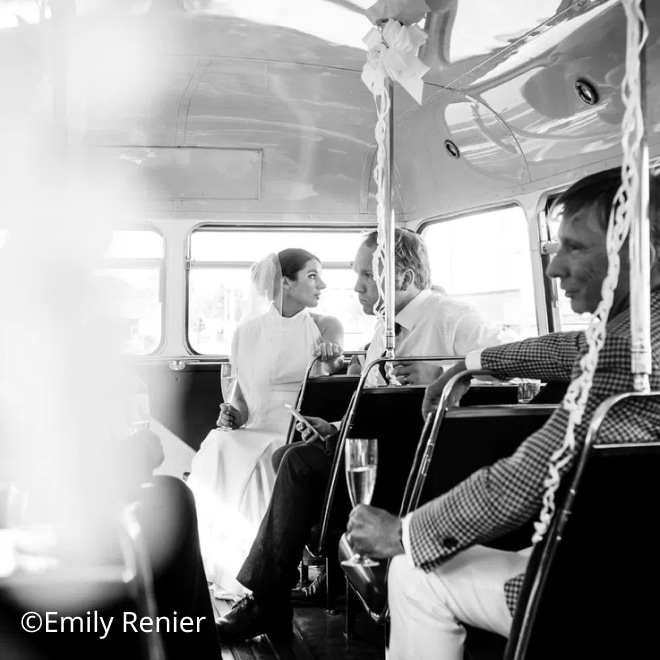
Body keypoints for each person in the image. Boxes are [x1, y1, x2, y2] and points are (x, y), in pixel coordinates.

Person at [345, 168, 660, 660]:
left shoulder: (628, 353)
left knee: (413, 571)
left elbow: (528, 476)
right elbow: (571, 347)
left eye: (575, 248)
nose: (554, 269)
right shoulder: (638, 330)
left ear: (642, 254)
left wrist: (402, 532)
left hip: (594, 589)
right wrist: (469, 364)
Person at [215, 228, 514, 641]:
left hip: (423, 464)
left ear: (403, 279)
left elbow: (513, 372)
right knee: (291, 454)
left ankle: (268, 600)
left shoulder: (452, 318)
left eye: (365, 276)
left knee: (299, 462)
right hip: (380, 448)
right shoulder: (382, 330)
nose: (355, 286)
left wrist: (445, 376)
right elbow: (371, 402)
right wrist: (334, 427)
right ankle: (280, 593)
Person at [187, 248, 343, 598]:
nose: (322, 285)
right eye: (313, 276)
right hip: (256, 425)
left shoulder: (325, 326)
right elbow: (241, 400)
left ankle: (262, 579)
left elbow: (333, 371)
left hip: (296, 428)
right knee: (219, 444)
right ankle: (220, 562)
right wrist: (233, 415)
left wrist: (332, 359)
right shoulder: (245, 333)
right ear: (285, 283)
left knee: (265, 456)